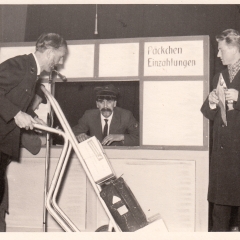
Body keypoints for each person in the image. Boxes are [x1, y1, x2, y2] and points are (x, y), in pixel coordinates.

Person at [0, 32, 68, 232]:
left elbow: (13, 98)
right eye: (60, 56)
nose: (61, 61)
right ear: (49, 52)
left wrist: (30, 115)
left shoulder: (32, 74)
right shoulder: (21, 65)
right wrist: (16, 114)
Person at [201, 29, 240, 232]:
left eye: (221, 49)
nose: (218, 54)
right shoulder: (220, 76)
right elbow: (207, 112)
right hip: (222, 158)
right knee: (219, 213)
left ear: (234, 48)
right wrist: (213, 102)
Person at [72, 84, 139, 146]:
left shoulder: (125, 116)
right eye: (101, 102)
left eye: (109, 102)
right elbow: (73, 132)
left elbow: (141, 137)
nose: (105, 106)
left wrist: (121, 137)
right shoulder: (89, 115)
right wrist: (80, 135)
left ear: (115, 103)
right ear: (97, 104)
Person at [21, 83, 48, 155]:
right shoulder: (20, 119)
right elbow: (35, 147)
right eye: (39, 103)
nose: (37, 108)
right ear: (33, 98)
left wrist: (35, 118)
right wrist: (45, 136)